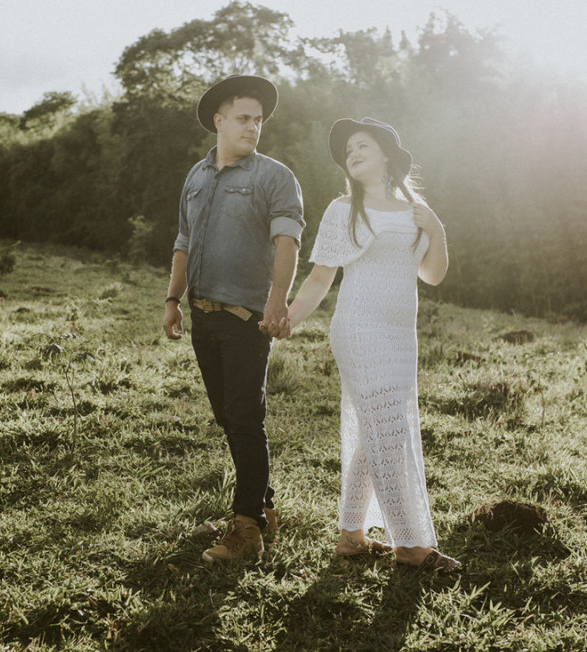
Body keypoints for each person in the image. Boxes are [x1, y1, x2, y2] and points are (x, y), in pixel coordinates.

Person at [278, 117, 461, 573]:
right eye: (348, 151)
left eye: (362, 145)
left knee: (375, 431)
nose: (352, 153)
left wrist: (437, 230)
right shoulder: (343, 209)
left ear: (385, 154)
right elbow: (321, 276)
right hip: (359, 329)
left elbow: (433, 275)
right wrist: (288, 318)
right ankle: (411, 545)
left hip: (402, 336)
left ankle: (350, 536)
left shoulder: (416, 210)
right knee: (389, 432)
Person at [161, 75, 305, 562]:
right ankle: (262, 506)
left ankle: (246, 532)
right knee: (228, 416)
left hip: (248, 318)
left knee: (245, 418)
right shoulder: (197, 177)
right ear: (219, 122)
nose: (253, 127)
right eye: (243, 118)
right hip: (203, 317)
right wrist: (172, 300)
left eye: (258, 120)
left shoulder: (274, 176)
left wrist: (277, 301)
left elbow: (287, 241)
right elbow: (183, 240)